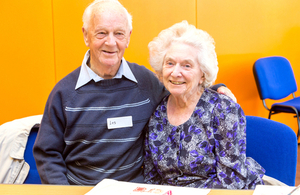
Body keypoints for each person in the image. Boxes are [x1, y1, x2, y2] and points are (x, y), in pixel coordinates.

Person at [33, 0, 235, 185]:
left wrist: (216, 89)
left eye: (119, 34)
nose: (111, 43)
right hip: (82, 189)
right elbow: (47, 154)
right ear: (86, 35)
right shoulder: (64, 93)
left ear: (128, 37)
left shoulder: (145, 82)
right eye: (101, 33)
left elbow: (181, 86)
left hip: (134, 188)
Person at [143, 21, 265, 189]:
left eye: (187, 65)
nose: (175, 72)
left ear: (202, 75)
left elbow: (231, 181)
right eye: (170, 63)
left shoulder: (223, 110)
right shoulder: (157, 114)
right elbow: (152, 178)